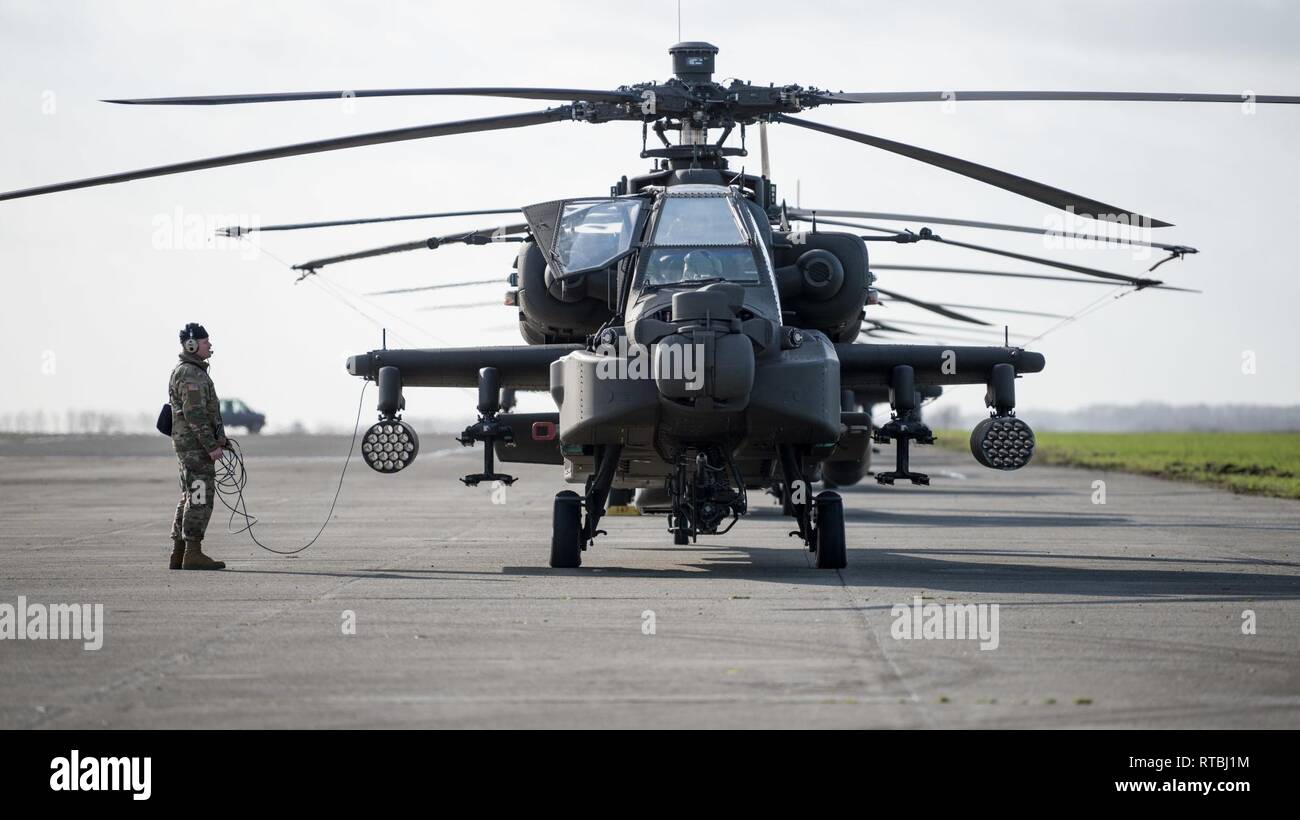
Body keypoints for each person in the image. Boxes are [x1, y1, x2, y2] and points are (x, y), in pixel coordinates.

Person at [168, 323, 228, 570]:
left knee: (190, 495)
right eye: (206, 342)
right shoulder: (191, 374)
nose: (210, 345)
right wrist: (211, 446)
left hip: (191, 445)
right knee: (199, 495)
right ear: (191, 345)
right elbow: (195, 414)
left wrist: (220, 439)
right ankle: (192, 552)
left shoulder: (192, 371)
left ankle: (179, 553)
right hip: (195, 447)